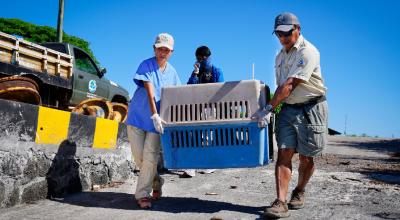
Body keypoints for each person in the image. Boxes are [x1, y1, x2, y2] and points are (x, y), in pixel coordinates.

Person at [259, 12, 328, 218]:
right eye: (278, 34)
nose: (282, 38)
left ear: (297, 29)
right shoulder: (279, 56)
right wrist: (272, 105)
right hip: (288, 109)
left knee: (307, 158)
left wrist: (269, 108)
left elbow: (289, 85)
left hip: (311, 108)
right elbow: (281, 86)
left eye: (286, 33)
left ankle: (299, 190)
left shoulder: (309, 52)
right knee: (284, 153)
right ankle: (281, 202)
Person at [126, 33, 181, 209]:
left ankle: (142, 194)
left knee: (150, 158)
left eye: (166, 49)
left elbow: (175, 97)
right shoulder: (146, 65)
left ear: (171, 52)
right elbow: (150, 92)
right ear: (154, 48)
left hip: (158, 123)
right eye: (160, 48)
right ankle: (156, 182)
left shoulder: (173, 73)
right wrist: (154, 114)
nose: (162, 52)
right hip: (138, 117)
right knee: (139, 158)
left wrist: (165, 119)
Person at [181, 46, 224, 178]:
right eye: (199, 57)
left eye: (205, 57)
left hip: (211, 107)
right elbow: (189, 87)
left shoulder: (216, 70)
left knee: (208, 136)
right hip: (196, 107)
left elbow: (220, 88)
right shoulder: (196, 72)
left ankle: (209, 163)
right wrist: (195, 73)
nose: (202, 59)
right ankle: (191, 165)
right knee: (193, 135)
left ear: (209, 57)